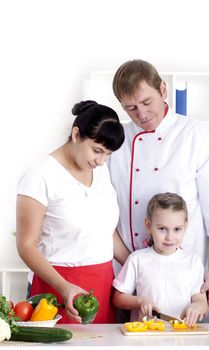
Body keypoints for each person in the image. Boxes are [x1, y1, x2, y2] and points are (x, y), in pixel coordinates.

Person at [108, 59, 209, 322]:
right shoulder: (116, 142)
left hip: (189, 285)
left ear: (163, 90)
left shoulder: (197, 135)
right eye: (130, 108)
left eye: (147, 102)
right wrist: (136, 263)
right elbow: (104, 213)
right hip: (131, 283)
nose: (141, 114)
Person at [16, 100, 128, 324]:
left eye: (108, 154)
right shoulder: (40, 176)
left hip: (103, 284)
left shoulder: (101, 171)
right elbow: (26, 245)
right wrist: (64, 287)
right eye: (97, 151)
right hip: (57, 286)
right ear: (76, 134)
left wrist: (137, 265)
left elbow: (105, 230)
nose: (101, 160)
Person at [113, 193, 208, 326]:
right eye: (162, 229)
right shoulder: (137, 259)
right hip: (144, 335)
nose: (170, 237)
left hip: (180, 336)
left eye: (177, 229)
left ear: (185, 226)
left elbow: (201, 300)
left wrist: (196, 307)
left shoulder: (193, 262)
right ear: (148, 225)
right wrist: (140, 302)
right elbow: (118, 298)